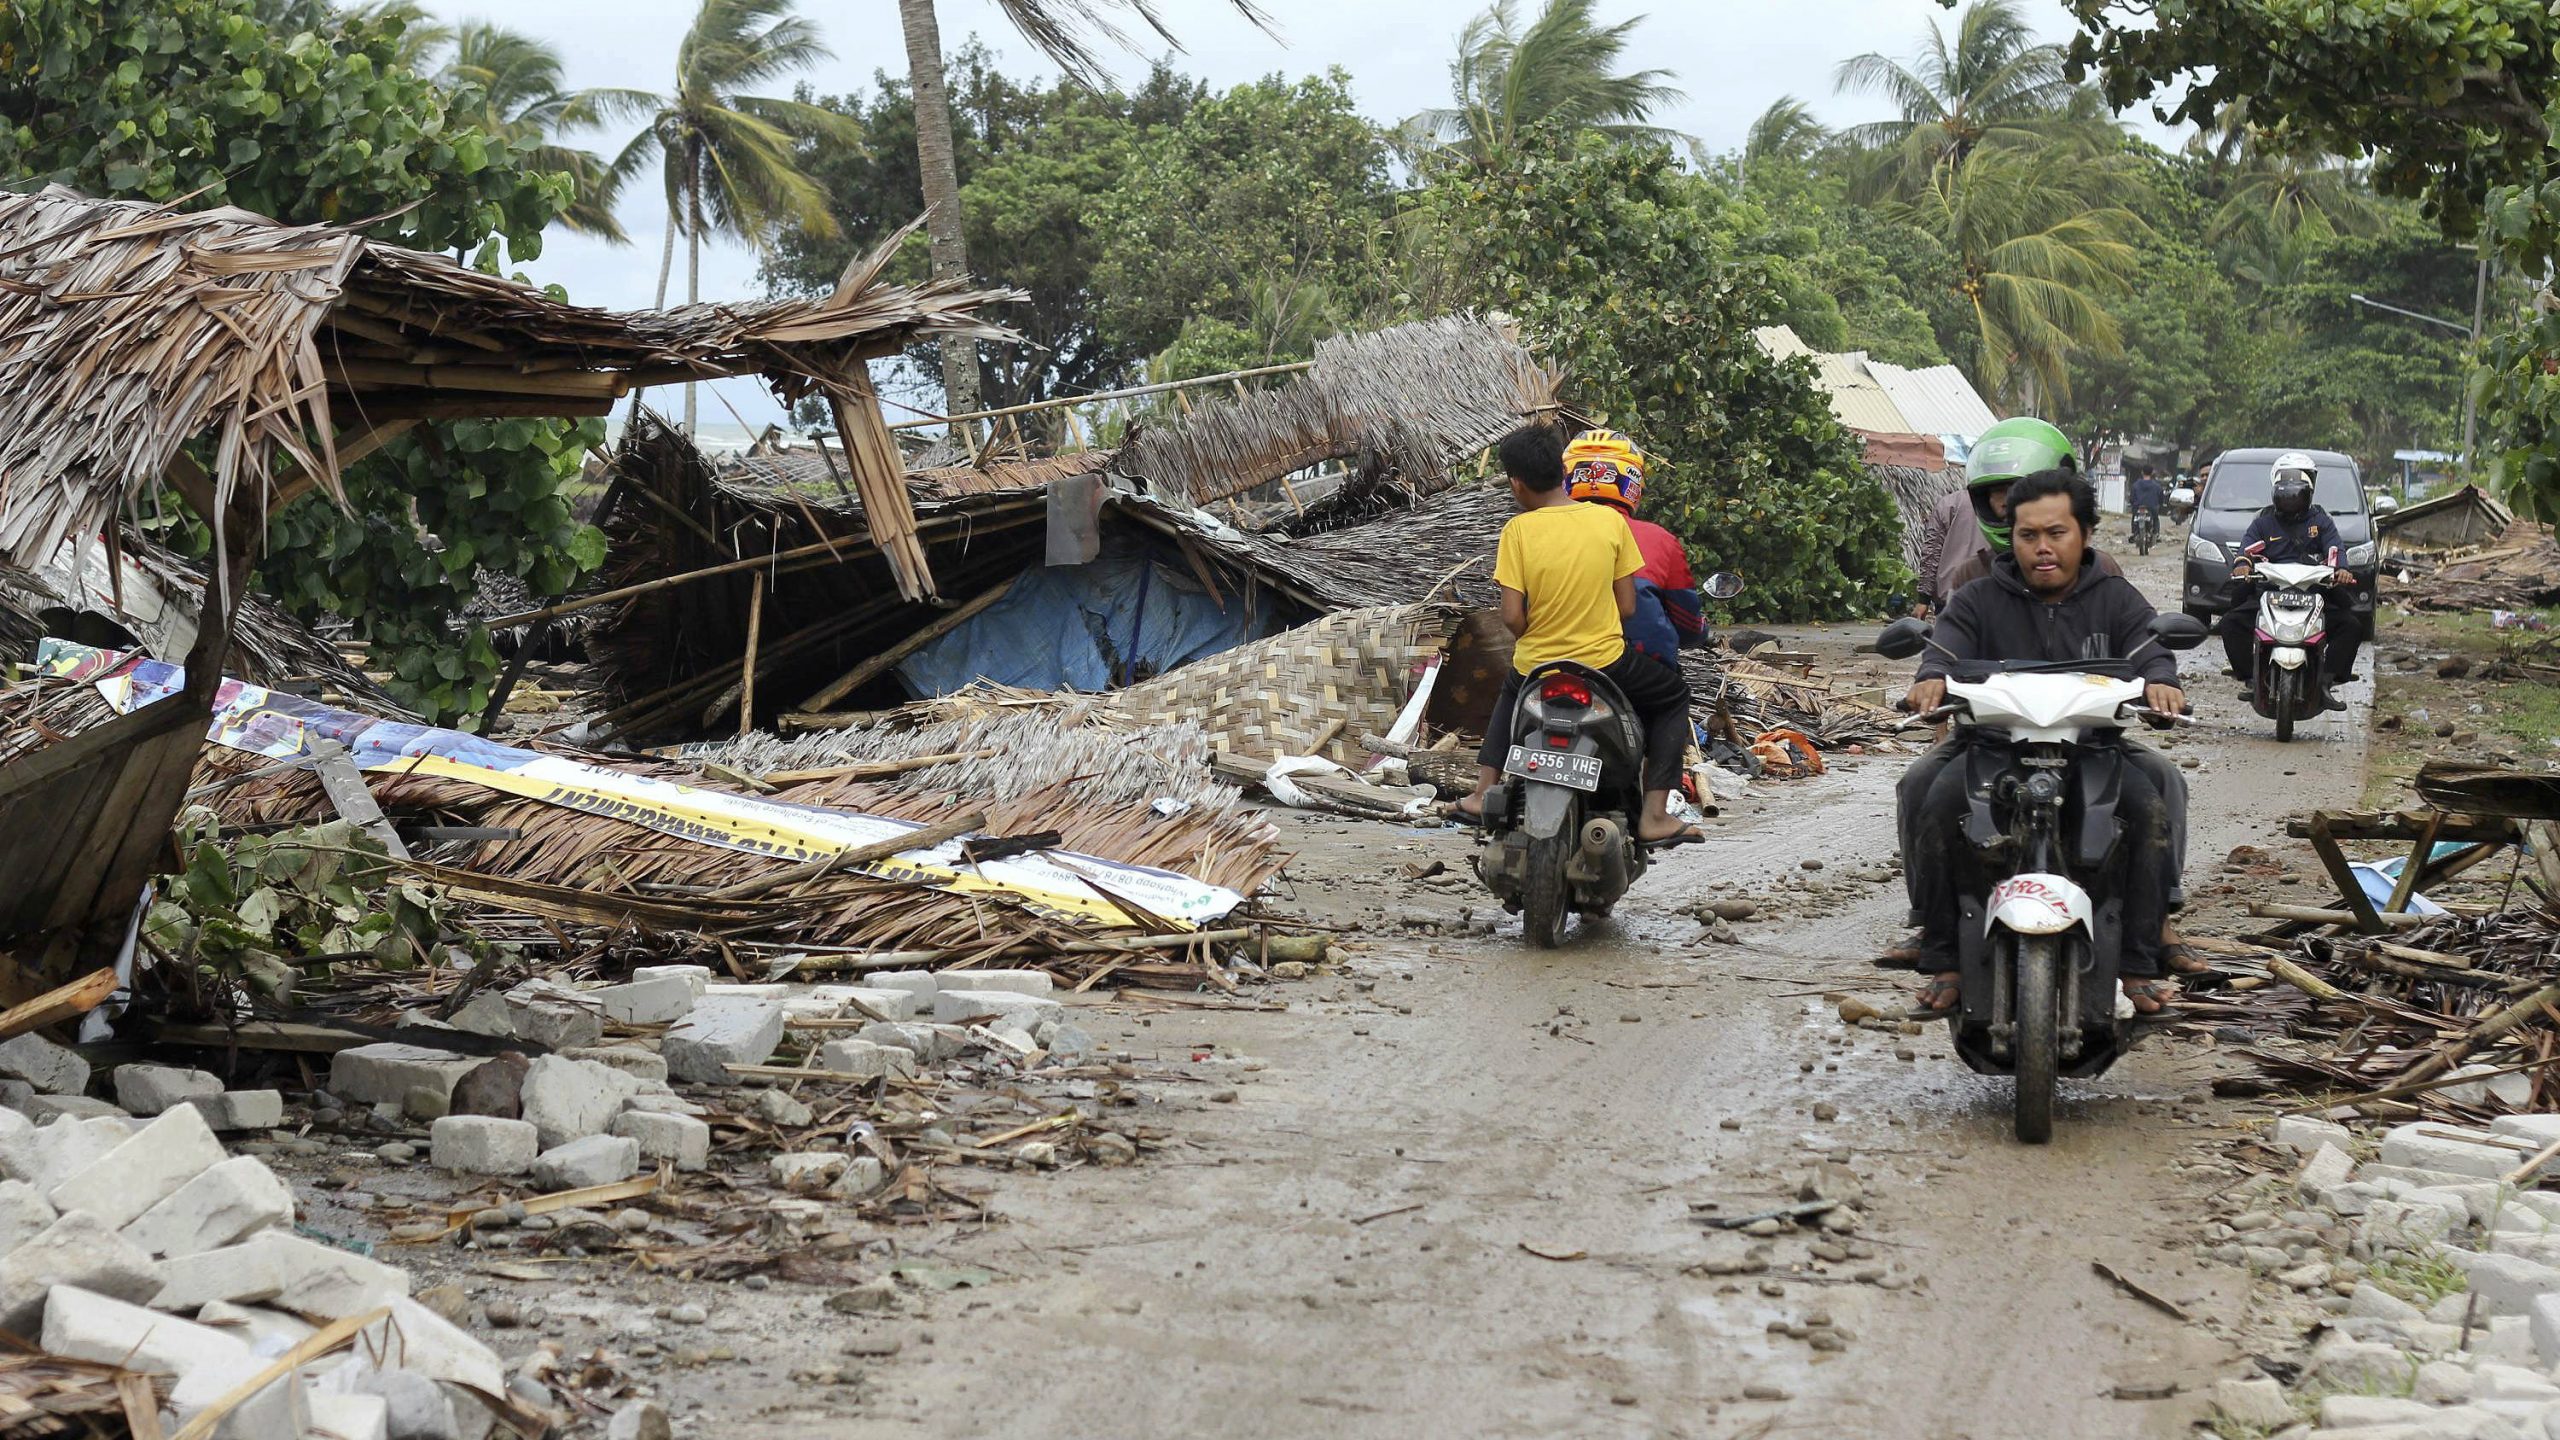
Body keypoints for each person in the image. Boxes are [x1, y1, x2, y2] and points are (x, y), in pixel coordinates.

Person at [1897, 470, 2190, 1015]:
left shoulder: (2115, 597)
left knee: (2149, 811)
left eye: (2057, 533)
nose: (2043, 548)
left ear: (2084, 534)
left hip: (2093, 747)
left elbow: (2151, 646)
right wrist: (1930, 675)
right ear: (2011, 537)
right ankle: (1943, 956)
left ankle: (2139, 963)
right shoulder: (1979, 597)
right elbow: (1945, 647)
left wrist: (2161, 680)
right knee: (1931, 799)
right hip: (1991, 744)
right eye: (2028, 535)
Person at [1456, 425, 1701, 843]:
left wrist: (1540, 634)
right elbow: (1626, 606)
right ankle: (1655, 815)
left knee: (1509, 695)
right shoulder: (1609, 522)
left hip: (1537, 665)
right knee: (1673, 697)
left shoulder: (1518, 531)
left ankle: (1482, 793)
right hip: (1606, 663)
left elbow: (1512, 617)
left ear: (1516, 483)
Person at [1922, 417, 2120, 613]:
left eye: (2056, 533)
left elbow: (2136, 630)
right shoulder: (1970, 573)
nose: (2010, 500)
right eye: (1998, 491)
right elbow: (1951, 637)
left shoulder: (2100, 567)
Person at [2219, 450, 2359, 701]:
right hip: (2270, 591)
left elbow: (2334, 549)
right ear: (2275, 492)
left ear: (2309, 492)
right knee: (2230, 623)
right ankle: (2252, 678)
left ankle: (2326, 682)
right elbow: (2246, 550)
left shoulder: (2322, 522)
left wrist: (2342, 571)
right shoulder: (2262, 523)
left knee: (2351, 626)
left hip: (2313, 592)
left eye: (2297, 493)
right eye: (2286, 493)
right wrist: (2243, 565)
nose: (2291, 498)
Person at [1564, 429, 1703, 665]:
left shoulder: (1537, 531)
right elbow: (1687, 624)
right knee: (1676, 697)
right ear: (1632, 481)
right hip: (1638, 667)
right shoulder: (1659, 539)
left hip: (1552, 665)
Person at [2127, 465, 2165, 530]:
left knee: (2134, 517)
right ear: (2152, 473)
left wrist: (2132, 503)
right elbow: (2161, 498)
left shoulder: (2135, 485)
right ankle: (2156, 533)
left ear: (2142, 472)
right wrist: (2159, 504)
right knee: (2155, 519)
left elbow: (2132, 498)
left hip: (2137, 507)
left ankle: (2134, 531)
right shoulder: (2157, 486)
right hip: (2152, 508)